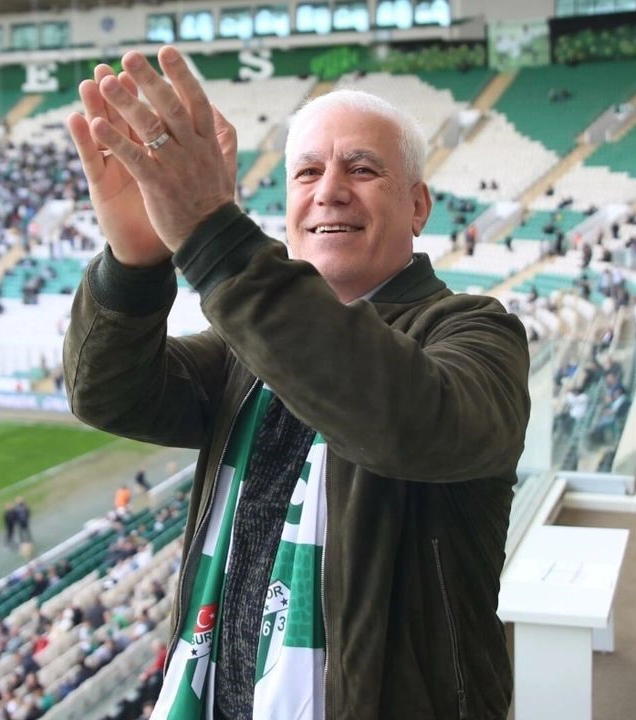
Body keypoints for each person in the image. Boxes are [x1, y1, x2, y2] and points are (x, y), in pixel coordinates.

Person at [63, 47, 529, 720]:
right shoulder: (246, 349)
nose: (329, 190)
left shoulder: (476, 332)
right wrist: (134, 261)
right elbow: (109, 393)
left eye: (361, 169)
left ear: (418, 206)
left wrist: (212, 235)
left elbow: (401, 422)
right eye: (307, 172)